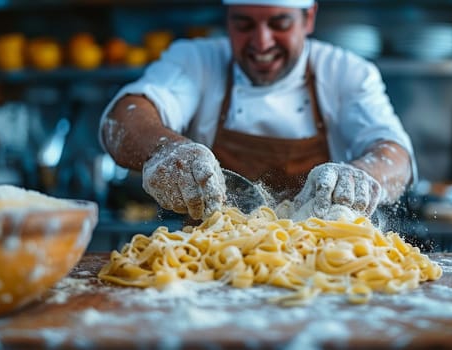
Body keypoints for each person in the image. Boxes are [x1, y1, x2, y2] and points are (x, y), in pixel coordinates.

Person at [98, 0, 417, 223]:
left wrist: (361, 176)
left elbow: (394, 154)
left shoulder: (346, 72)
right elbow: (125, 116)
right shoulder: (196, 61)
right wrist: (167, 151)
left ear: (308, 19)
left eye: (279, 23)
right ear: (228, 20)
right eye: (244, 24)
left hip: (321, 267)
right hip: (207, 266)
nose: (261, 43)